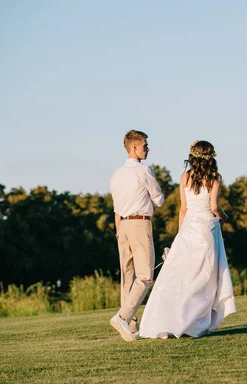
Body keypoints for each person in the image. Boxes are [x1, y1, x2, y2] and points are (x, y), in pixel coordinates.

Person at [139, 140, 236, 338]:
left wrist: (180, 235)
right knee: (204, 277)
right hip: (207, 229)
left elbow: (183, 209)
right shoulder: (214, 178)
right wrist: (226, 218)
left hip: (189, 229)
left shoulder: (185, 177)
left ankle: (177, 320)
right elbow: (215, 207)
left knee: (182, 276)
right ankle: (194, 322)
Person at [109, 130, 164, 342]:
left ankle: (131, 326)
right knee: (145, 276)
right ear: (134, 147)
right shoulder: (144, 170)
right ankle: (122, 317)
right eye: (145, 146)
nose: (148, 149)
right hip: (140, 224)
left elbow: (116, 208)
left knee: (127, 277)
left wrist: (118, 232)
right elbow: (158, 199)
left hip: (121, 226)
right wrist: (155, 199)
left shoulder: (116, 174)